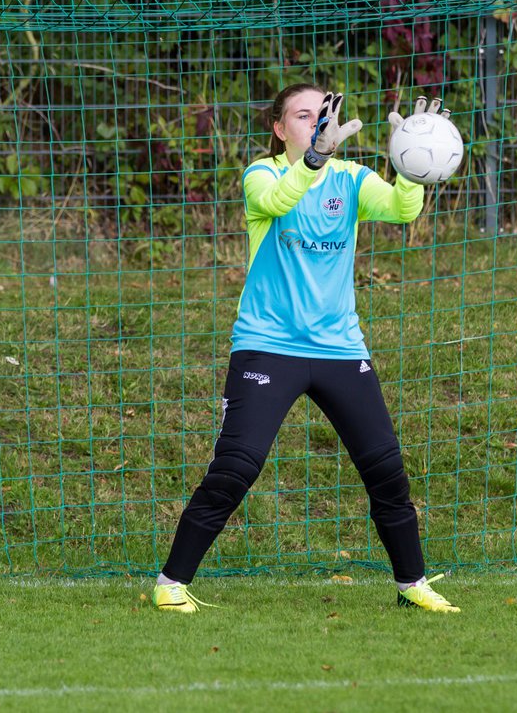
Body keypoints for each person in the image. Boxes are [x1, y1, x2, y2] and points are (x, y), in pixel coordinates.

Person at [152, 84, 459, 614]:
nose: (318, 122)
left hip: (340, 349)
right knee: (236, 467)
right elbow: (277, 201)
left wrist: (410, 163)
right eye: (304, 116)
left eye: (325, 113)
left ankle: (414, 584)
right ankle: (169, 583)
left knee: (386, 469)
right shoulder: (262, 174)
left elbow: (402, 211)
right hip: (267, 347)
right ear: (279, 129)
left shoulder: (352, 179)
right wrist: (314, 159)